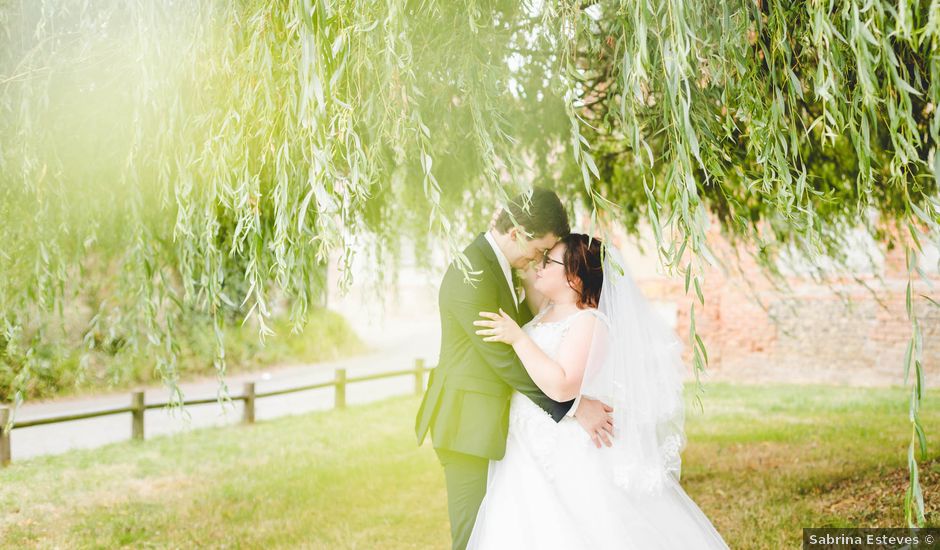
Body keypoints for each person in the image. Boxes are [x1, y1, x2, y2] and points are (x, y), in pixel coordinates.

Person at [467, 233, 730, 549]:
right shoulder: (548, 310)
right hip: (526, 439)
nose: (540, 265)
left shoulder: (589, 322)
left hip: (560, 443)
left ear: (574, 278)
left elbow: (563, 386)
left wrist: (519, 340)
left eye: (549, 262)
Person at [415, 188, 616, 550]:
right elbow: (503, 358)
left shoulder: (498, 267)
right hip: (467, 427)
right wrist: (572, 407)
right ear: (516, 233)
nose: (538, 259)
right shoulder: (473, 272)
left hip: (491, 426)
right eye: (539, 250)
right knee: (472, 537)